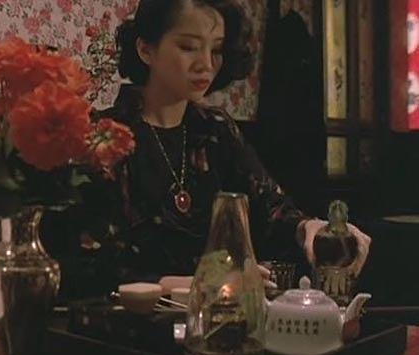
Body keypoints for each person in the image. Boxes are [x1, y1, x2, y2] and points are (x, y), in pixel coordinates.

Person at [75, 0, 371, 287]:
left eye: (216, 50)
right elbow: (95, 265)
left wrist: (311, 228)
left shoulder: (214, 129)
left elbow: (271, 208)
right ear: (145, 50)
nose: (206, 64)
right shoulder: (106, 136)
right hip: (132, 316)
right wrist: (195, 285)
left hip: (220, 311)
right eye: (188, 47)